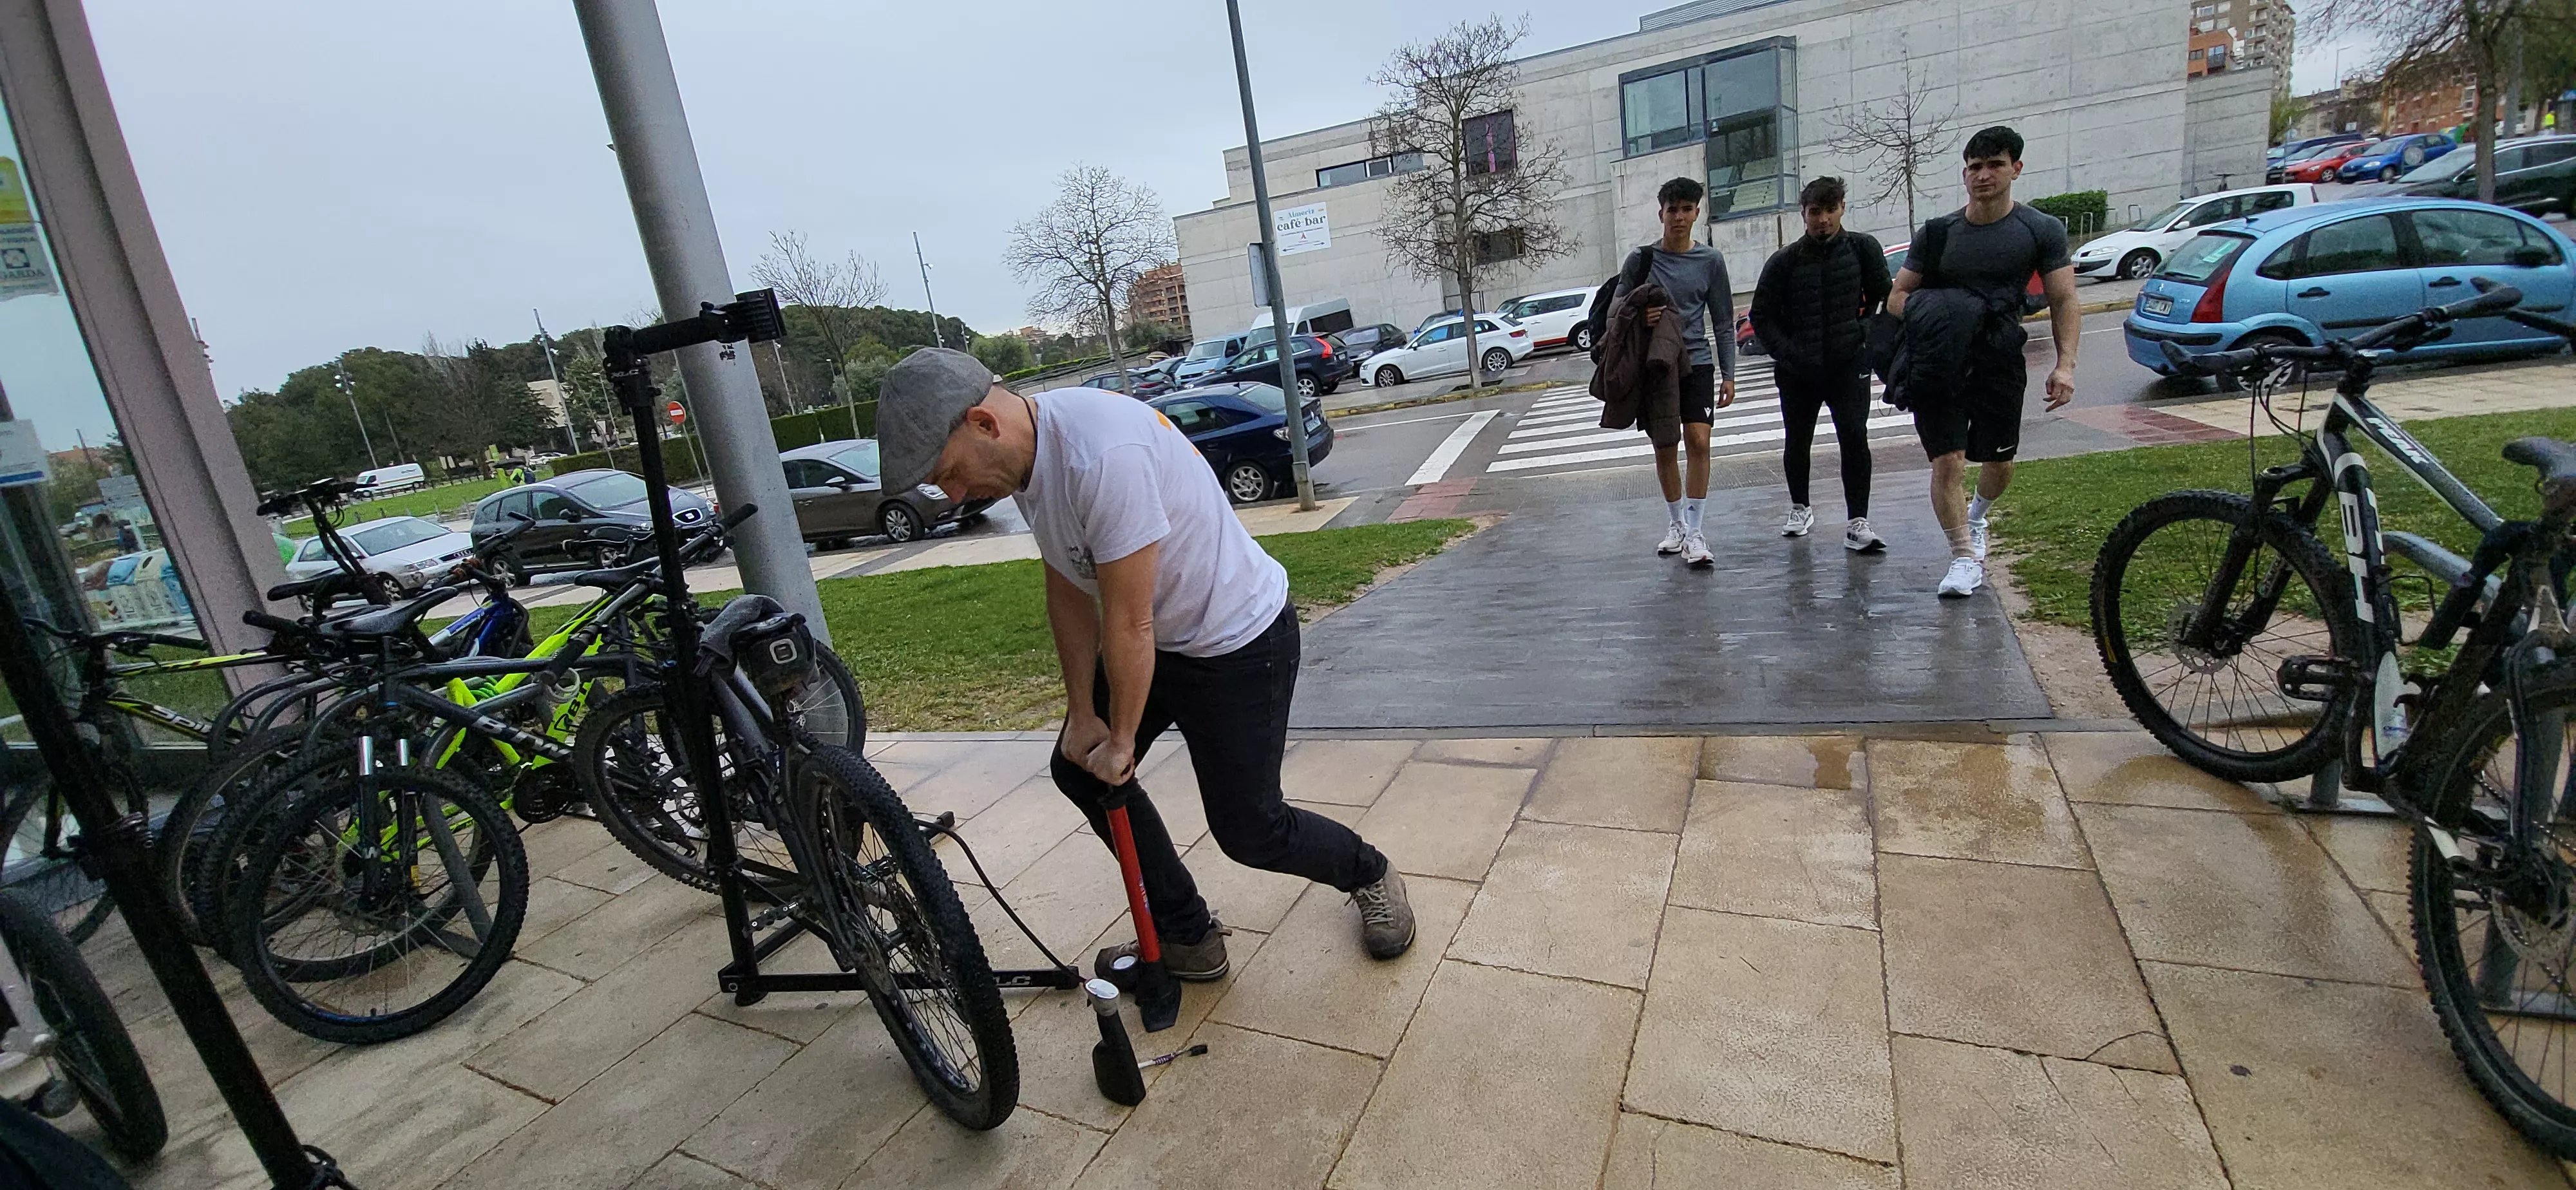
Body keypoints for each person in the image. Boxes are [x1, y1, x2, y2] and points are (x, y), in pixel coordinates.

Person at [873, 348, 1416, 980]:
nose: (956, 495)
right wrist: (1082, 714)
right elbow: (1069, 588)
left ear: (983, 423)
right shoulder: (1025, 464)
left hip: (1237, 642)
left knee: (1250, 831)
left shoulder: (1102, 455)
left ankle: (1369, 873)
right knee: (1080, 769)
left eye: (950, 474)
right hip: (1161, 640)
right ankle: (1188, 937)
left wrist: (1123, 740)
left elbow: (1130, 621)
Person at [1887, 125, 2078, 598]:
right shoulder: (1937, 233)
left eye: (1994, 165)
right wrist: (1940, 313)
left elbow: (2064, 299)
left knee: (1999, 461)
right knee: (1947, 461)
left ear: (2016, 168)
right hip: (1939, 360)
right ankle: (1962, 558)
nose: (1983, 176)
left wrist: (2065, 364)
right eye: (1974, 168)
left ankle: (1976, 518)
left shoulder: (2041, 229)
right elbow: (1897, 297)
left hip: (1998, 358)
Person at [1748, 176, 1891, 552]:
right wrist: (1788, 352)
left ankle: (1858, 521)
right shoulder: (1784, 261)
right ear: (1803, 214)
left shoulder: (1863, 249)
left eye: (1830, 210)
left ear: (1842, 208)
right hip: (1798, 371)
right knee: (1797, 441)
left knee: (1855, 439)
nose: (1823, 219)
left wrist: (1864, 335)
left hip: (1848, 365)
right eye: (1815, 212)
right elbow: (1761, 316)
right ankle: (1800, 507)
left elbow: (1886, 300)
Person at [1618, 177, 1738, 568]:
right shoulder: (1642, 260)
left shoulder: (1710, 261)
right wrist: (1641, 313)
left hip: (1698, 363)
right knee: (1666, 446)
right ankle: (1676, 526)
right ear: (1662, 214)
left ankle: (1697, 530)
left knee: (1699, 442)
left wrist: (1729, 374)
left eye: (1687, 209)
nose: (1680, 217)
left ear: (1697, 213)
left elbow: (1722, 321)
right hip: (1658, 365)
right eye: (1673, 210)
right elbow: (1616, 310)